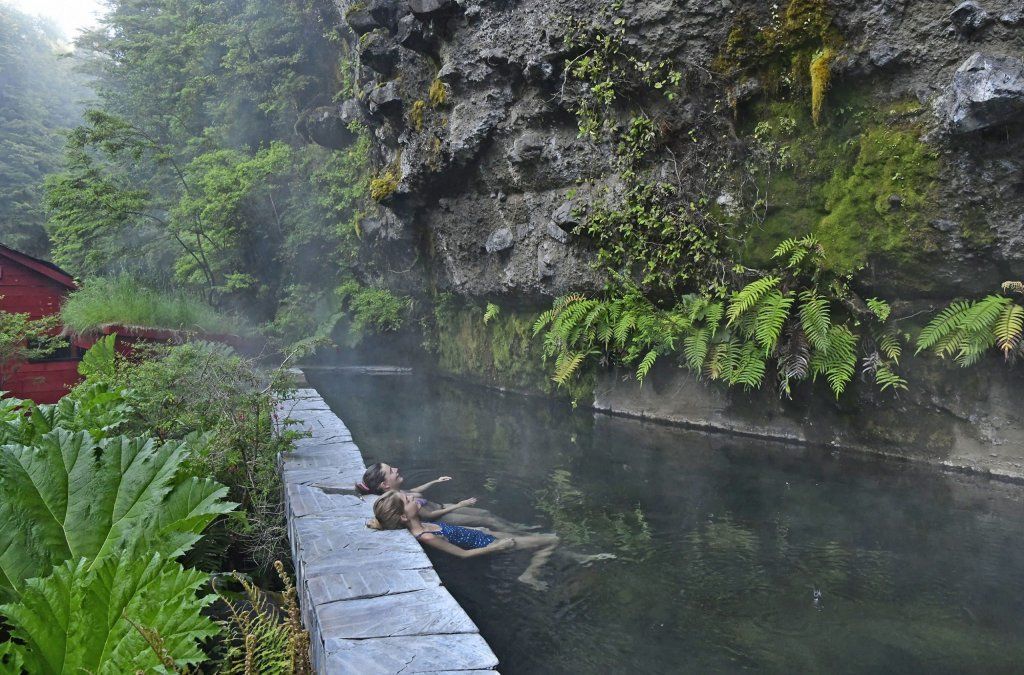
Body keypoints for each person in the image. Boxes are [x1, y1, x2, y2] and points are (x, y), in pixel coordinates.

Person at [368, 489, 559, 590]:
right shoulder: (425, 536)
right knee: (550, 541)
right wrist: (497, 547)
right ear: (403, 517)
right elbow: (464, 555)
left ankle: (574, 557)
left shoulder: (424, 524)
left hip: (484, 535)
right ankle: (530, 574)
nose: (412, 498)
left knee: (535, 540)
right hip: (489, 544)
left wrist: (476, 528)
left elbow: (453, 531)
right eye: (408, 500)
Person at [355, 462, 538, 532]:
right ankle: (523, 533)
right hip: (445, 515)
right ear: (385, 485)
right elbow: (429, 516)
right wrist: (460, 505)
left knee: (485, 513)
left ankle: (516, 527)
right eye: (391, 471)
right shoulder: (395, 500)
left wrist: (435, 481)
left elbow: (417, 490)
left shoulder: (398, 492)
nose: (396, 469)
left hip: (443, 506)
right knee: (487, 520)